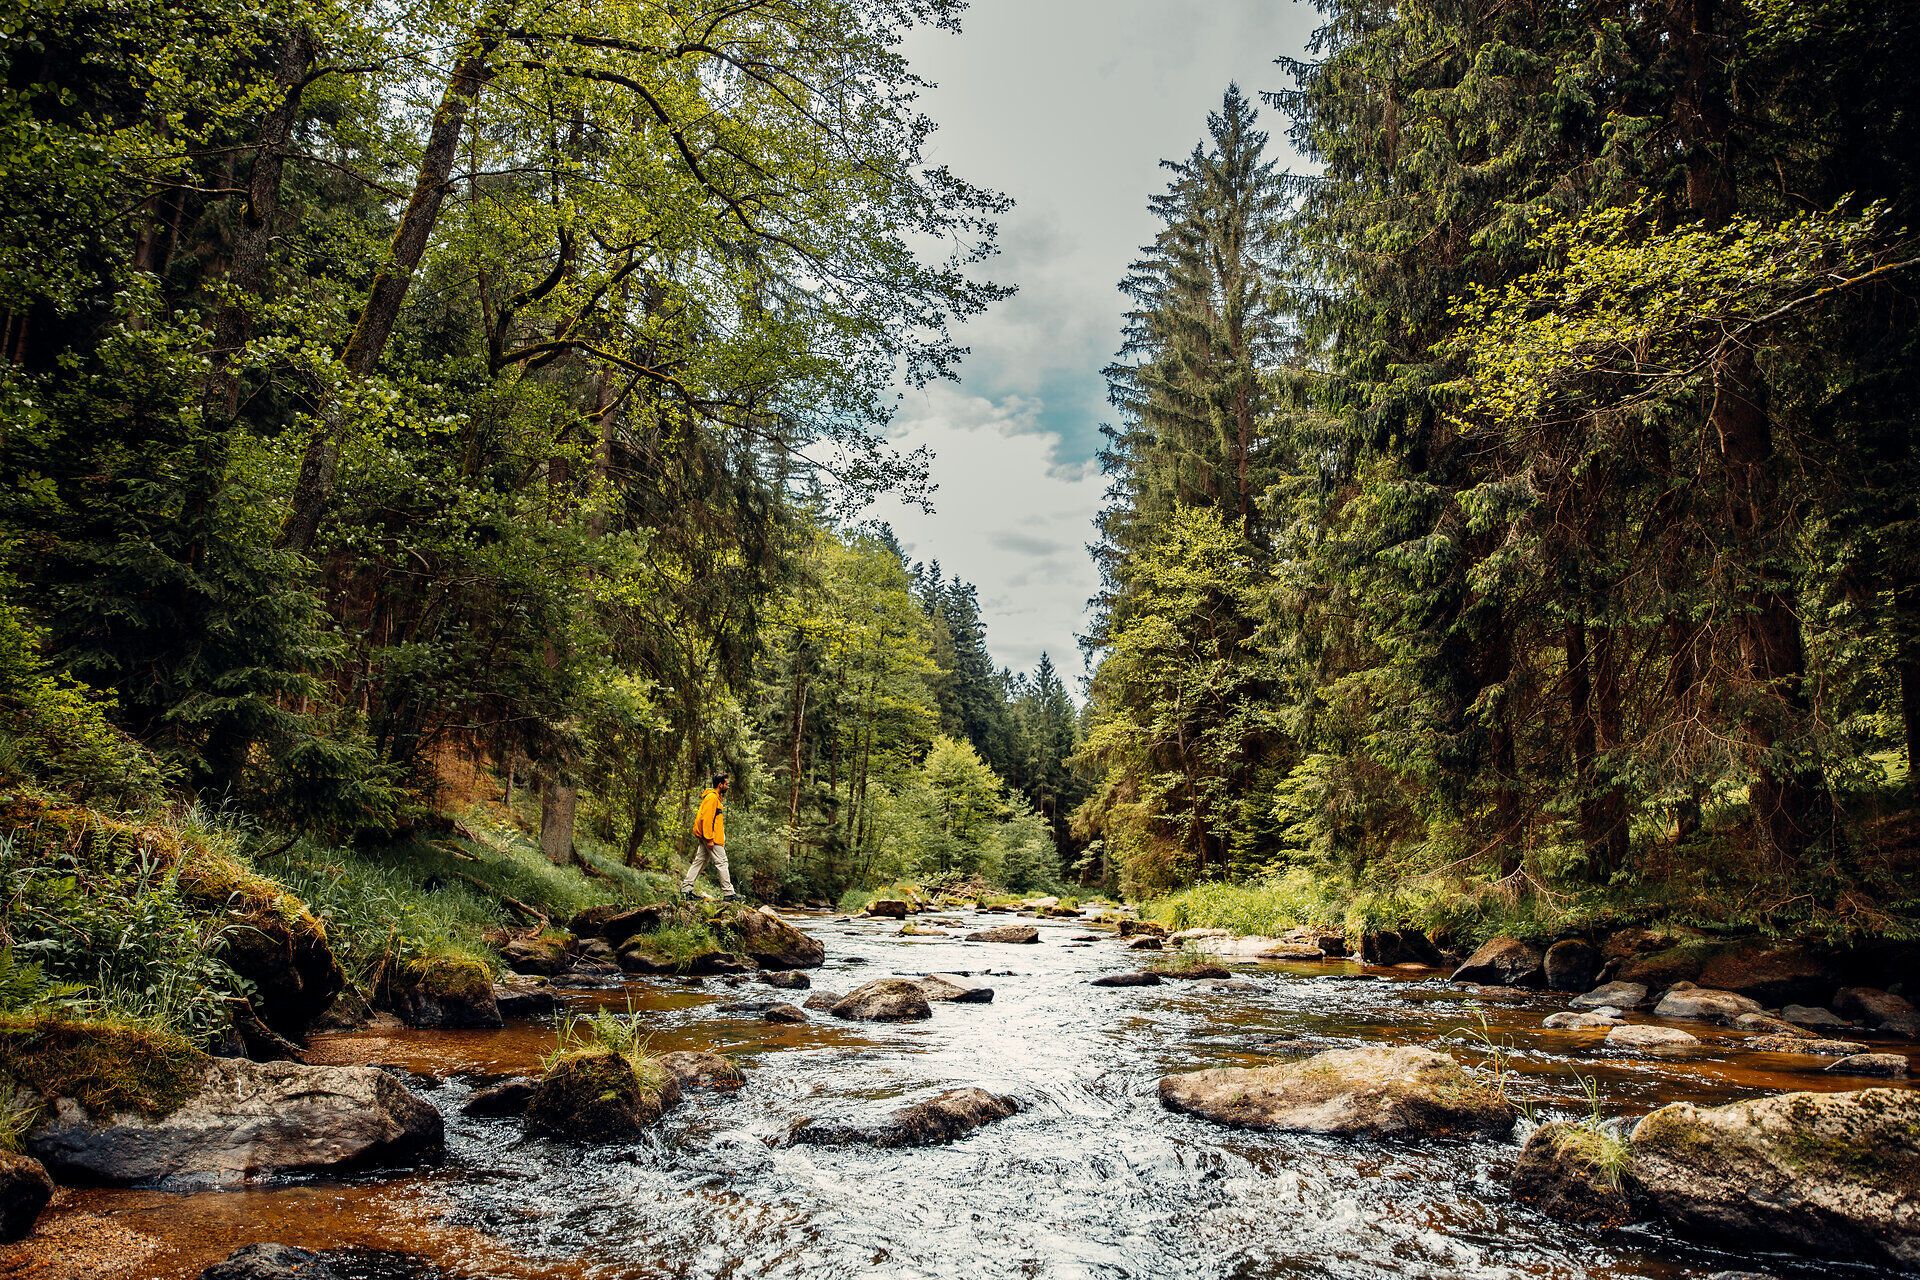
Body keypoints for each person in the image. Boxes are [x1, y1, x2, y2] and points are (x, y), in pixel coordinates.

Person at [684, 772, 736, 899]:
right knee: (722, 862)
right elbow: (706, 819)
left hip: (710, 837)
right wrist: (709, 839)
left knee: (700, 861)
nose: (728, 786)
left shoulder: (715, 798)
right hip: (711, 838)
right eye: (726, 784)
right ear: (720, 784)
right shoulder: (712, 798)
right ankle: (729, 893)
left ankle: (686, 890)